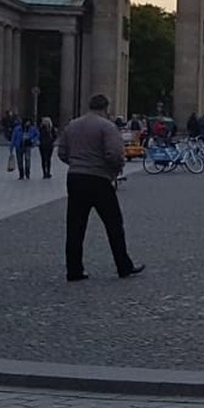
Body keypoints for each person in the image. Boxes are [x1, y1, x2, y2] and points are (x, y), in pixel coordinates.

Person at [58, 94, 143, 281]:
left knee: (75, 226)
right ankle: (123, 266)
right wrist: (114, 170)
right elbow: (115, 153)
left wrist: (76, 163)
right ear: (106, 108)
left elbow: (62, 151)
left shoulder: (72, 125)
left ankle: (74, 270)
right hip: (99, 178)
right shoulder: (107, 126)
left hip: (75, 177)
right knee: (113, 224)